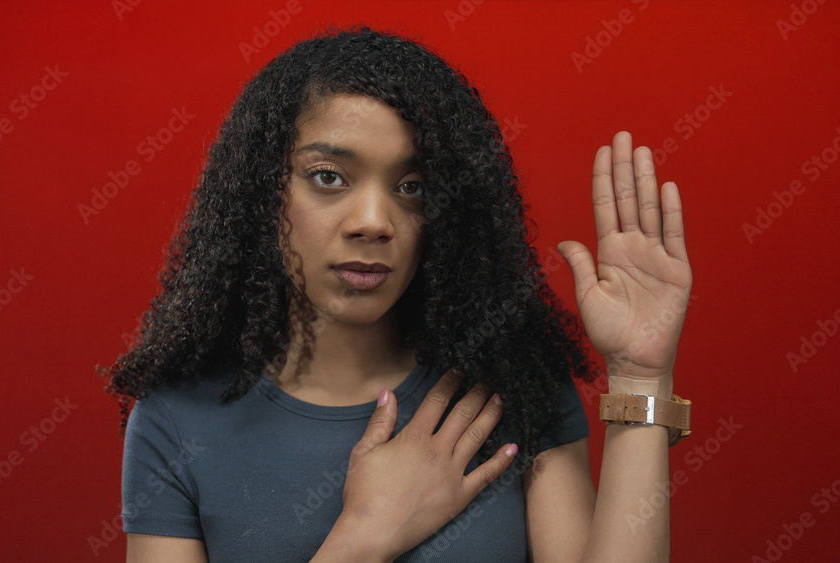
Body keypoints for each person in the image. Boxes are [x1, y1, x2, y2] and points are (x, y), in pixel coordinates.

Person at [105, 26, 692, 562]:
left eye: (412, 186)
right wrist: (366, 534)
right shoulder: (177, 421)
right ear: (263, 192)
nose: (373, 222)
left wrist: (640, 375)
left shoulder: (513, 380)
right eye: (328, 177)